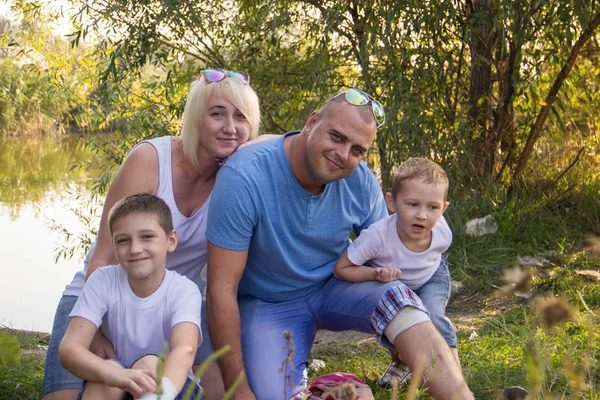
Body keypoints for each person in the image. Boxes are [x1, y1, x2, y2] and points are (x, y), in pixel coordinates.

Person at [206, 88, 473, 399]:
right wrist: (238, 389)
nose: (344, 155)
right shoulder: (244, 176)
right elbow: (220, 289)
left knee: (400, 302)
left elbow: (385, 254)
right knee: (270, 394)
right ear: (312, 121)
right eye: (336, 137)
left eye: (358, 149)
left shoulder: (359, 181)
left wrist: (406, 328)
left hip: (335, 285)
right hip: (269, 303)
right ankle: (330, 389)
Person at [42, 69, 261, 400]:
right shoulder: (149, 160)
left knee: (211, 390)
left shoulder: (237, 180)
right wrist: (100, 327)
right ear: (195, 118)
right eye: (217, 114)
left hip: (173, 305)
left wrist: (259, 143)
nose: (230, 127)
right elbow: (103, 255)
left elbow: (286, 147)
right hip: (102, 295)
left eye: (241, 117)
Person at [59, 194, 202, 400]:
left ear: (171, 240)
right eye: (123, 240)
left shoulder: (184, 290)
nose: (135, 249)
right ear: (114, 246)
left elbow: (185, 349)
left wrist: (158, 395)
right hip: (117, 383)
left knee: (150, 366)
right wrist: (112, 373)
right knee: (105, 376)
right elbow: (70, 348)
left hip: (172, 389)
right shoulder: (102, 280)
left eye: (147, 237)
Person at [333, 157, 460, 388]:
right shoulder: (377, 236)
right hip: (394, 284)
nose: (422, 215)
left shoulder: (442, 232)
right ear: (391, 202)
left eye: (433, 207)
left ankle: (454, 375)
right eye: (412, 204)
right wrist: (373, 274)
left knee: (432, 316)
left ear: (443, 208)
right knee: (397, 326)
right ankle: (401, 361)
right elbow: (341, 268)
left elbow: (435, 257)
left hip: (432, 276)